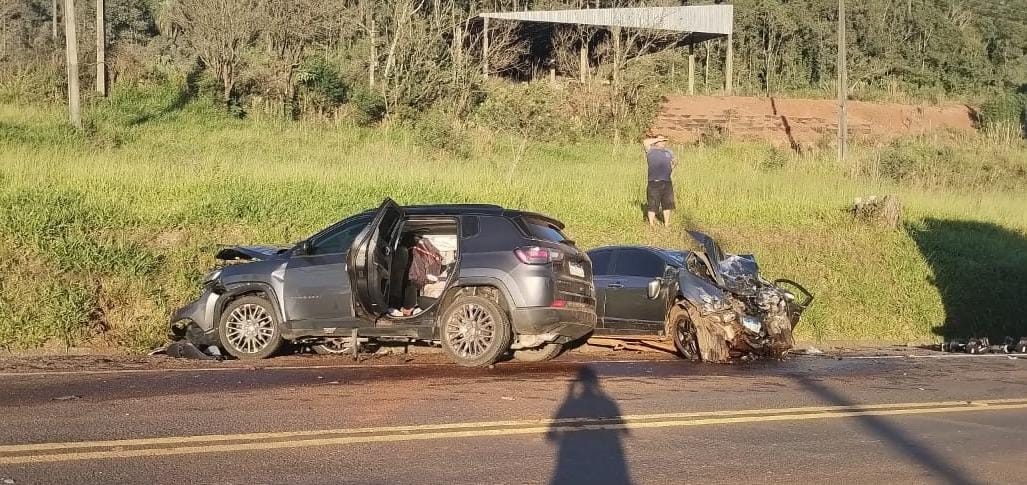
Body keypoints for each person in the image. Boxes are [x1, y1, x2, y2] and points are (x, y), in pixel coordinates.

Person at [643, 134, 677, 227]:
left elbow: (674, 161)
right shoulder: (650, 150)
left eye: (664, 140)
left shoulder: (669, 151)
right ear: (656, 141)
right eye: (661, 140)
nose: (663, 142)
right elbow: (645, 142)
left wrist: (671, 168)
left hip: (667, 181)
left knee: (667, 204)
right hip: (654, 182)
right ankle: (651, 224)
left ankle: (666, 224)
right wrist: (657, 139)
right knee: (653, 204)